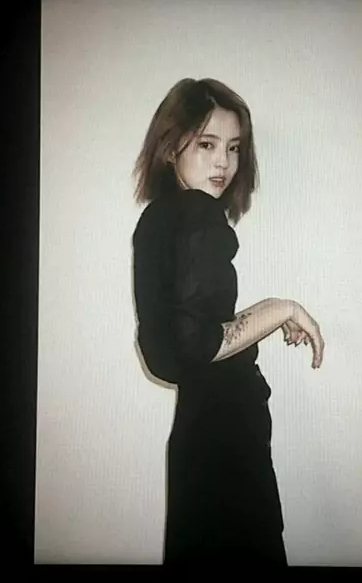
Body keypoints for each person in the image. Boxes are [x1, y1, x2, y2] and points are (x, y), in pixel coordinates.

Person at [131, 78, 325, 566]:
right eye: (207, 144)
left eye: (234, 148)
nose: (223, 162)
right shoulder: (198, 215)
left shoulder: (160, 219)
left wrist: (259, 320)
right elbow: (194, 345)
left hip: (201, 436)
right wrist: (281, 308)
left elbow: (183, 341)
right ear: (171, 148)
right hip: (225, 443)